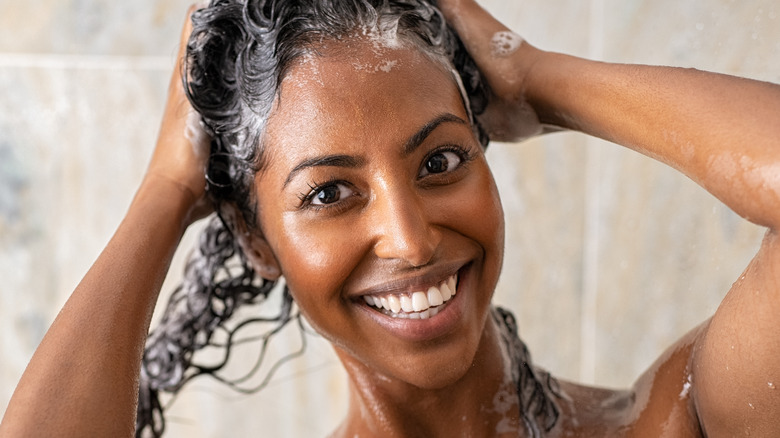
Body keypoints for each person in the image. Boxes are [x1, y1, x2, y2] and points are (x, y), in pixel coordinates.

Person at [1, 0, 779, 436]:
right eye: (330, 194)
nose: (410, 238)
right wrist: (167, 191)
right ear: (255, 239)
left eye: (440, 162)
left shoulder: (672, 423)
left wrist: (536, 74)